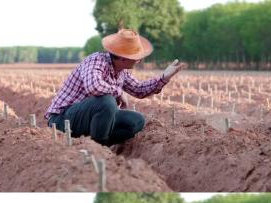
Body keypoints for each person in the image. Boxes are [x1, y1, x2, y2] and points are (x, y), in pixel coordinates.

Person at [45, 29, 185, 146]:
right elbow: (94, 87)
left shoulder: (121, 71)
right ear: (123, 58)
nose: (139, 60)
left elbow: (140, 89)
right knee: (106, 101)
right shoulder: (96, 60)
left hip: (88, 120)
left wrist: (164, 77)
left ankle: (99, 143)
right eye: (136, 57)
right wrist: (118, 92)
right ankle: (97, 147)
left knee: (136, 121)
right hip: (63, 120)